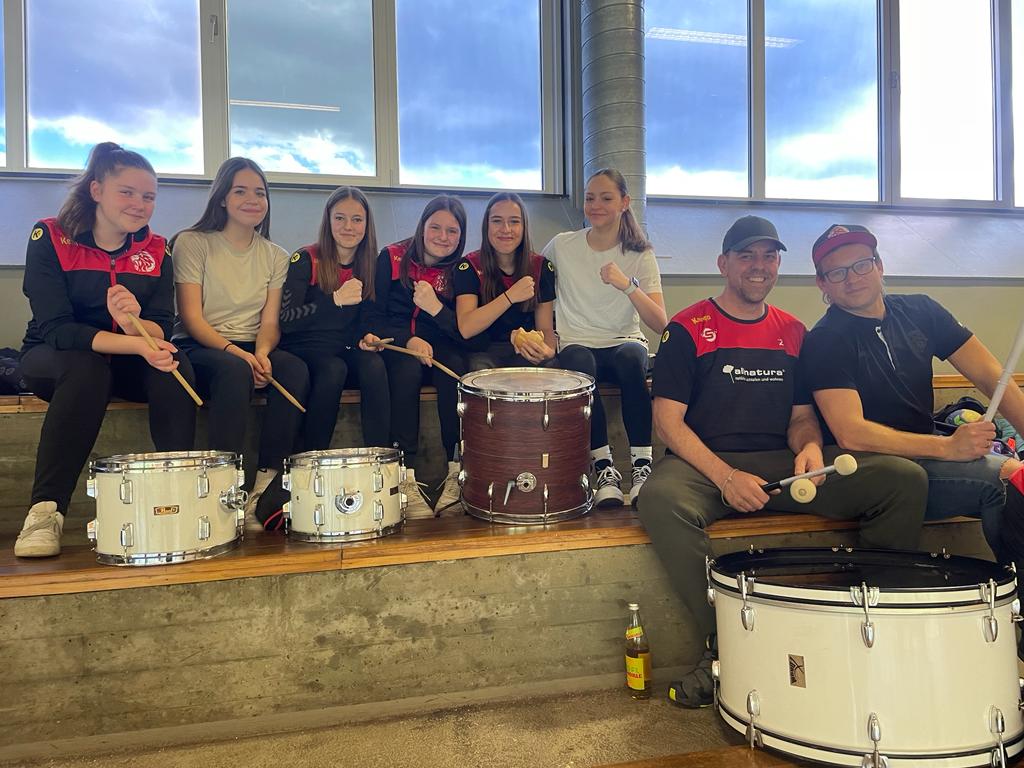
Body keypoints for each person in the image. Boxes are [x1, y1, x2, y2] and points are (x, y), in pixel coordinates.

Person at [635, 215, 928, 707]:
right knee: (660, 500)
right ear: (723, 263)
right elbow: (668, 424)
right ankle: (726, 645)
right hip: (704, 466)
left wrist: (809, 447)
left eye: (769, 256)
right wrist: (726, 477)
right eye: (746, 255)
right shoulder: (687, 328)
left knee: (902, 479)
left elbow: (801, 418)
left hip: (781, 466)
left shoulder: (794, 332)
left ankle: (867, 623)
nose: (759, 266)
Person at [15, 142, 197, 557]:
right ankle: (46, 511)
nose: (139, 204)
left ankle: (180, 499)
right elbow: (58, 330)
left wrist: (135, 324)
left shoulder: (157, 249)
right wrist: (137, 343)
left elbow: (161, 324)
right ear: (96, 191)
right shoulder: (50, 236)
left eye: (148, 196)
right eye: (127, 192)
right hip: (55, 356)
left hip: (129, 357)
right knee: (88, 369)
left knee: (175, 364)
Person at [801, 223, 1024, 562]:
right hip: (874, 468)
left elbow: (991, 376)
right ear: (822, 284)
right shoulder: (825, 340)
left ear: (879, 265)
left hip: (931, 456)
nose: (852, 278)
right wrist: (947, 447)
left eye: (861, 264)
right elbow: (851, 432)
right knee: (1009, 481)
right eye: (837, 272)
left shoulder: (922, 310)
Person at [172, 157, 309, 532]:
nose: (253, 200)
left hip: (253, 343)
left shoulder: (276, 255)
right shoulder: (192, 243)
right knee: (234, 371)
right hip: (203, 343)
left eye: (260, 193)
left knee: (294, 370)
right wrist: (239, 354)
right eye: (241, 191)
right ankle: (223, 487)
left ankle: (266, 482)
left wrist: (261, 354)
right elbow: (192, 318)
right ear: (222, 198)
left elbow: (270, 322)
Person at [541, 169, 667, 507]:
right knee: (578, 362)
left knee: (630, 359)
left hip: (624, 341)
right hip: (577, 342)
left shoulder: (640, 254)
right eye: (590, 198)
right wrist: (543, 334)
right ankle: (604, 469)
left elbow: (660, 323)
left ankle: (641, 467)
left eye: (606, 198)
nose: (595, 205)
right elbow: (535, 285)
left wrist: (627, 285)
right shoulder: (562, 245)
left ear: (624, 202)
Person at [365, 195, 470, 517]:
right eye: (435, 227)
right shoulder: (391, 258)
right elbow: (373, 316)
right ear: (422, 226)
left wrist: (436, 309)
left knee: (457, 369)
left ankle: (456, 468)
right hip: (398, 347)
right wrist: (408, 340)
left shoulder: (462, 270)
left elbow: (465, 331)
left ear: (462, 235)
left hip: (441, 348)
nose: (443, 237)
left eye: (452, 231)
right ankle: (405, 473)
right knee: (406, 372)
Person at [279, 186, 389, 452]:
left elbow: (367, 317)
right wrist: (334, 300)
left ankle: (381, 457)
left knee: (374, 364)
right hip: (305, 349)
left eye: (357, 219)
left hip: (343, 348)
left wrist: (367, 336)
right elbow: (287, 319)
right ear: (328, 220)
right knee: (333, 369)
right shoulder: (305, 258)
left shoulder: (370, 264)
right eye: (340, 218)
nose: (348, 226)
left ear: (367, 225)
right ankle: (311, 456)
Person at [454, 192, 556, 369]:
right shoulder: (469, 266)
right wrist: (510, 296)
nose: (506, 229)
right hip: (483, 350)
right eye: (497, 221)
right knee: (479, 367)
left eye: (514, 221)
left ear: (524, 227)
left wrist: (547, 350)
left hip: (524, 350)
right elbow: (466, 327)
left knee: (546, 366)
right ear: (486, 226)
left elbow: (545, 328)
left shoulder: (541, 267)